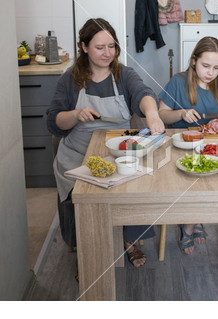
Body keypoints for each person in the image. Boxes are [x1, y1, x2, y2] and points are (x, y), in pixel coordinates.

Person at [47, 18, 165, 269]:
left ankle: (129, 240)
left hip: (118, 152)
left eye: (112, 46)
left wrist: (152, 113)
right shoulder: (70, 79)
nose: (107, 53)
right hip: (78, 156)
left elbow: (143, 94)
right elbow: (55, 119)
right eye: (100, 47)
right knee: (84, 202)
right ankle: (87, 252)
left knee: (136, 189)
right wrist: (76, 115)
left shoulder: (124, 75)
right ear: (84, 47)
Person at [158, 36, 218, 254]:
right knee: (193, 176)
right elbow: (161, 115)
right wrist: (181, 113)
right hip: (181, 145)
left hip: (213, 146)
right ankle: (189, 223)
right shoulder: (178, 81)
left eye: (216, 67)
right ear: (194, 60)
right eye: (206, 66)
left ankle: (192, 220)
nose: (211, 73)